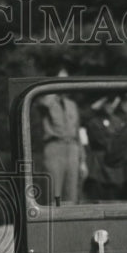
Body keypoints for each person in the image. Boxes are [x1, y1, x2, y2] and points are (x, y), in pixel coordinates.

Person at [35, 65, 86, 205]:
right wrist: (52, 87)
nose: (65, 82)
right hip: (54, 148)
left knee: (72, 195)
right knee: (54, 194)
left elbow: (78, 132)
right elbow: (43, 104)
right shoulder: (46, 100)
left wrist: (83, 160)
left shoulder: (72, 104)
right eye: (61, 79)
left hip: (72, 149)